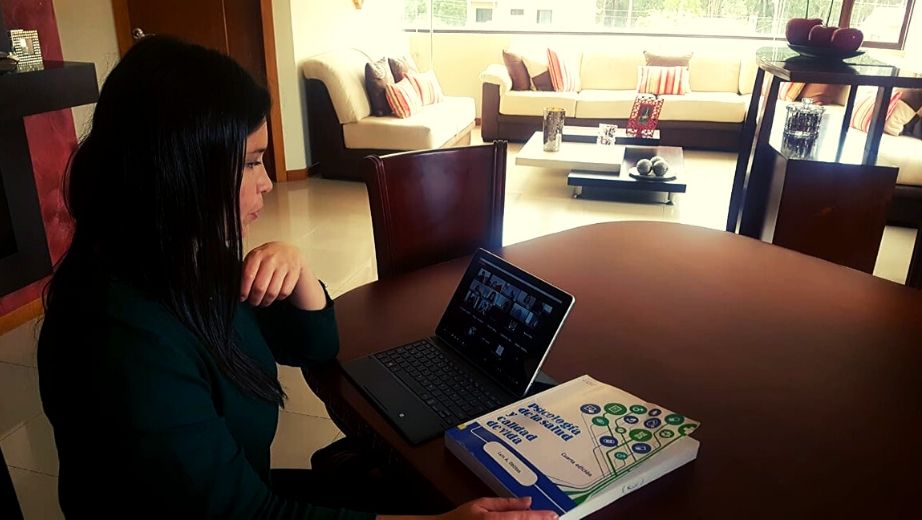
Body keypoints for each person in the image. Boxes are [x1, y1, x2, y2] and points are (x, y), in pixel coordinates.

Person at [37, 36, 557, 520]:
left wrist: (299, 270)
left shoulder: (186, 255)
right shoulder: (124, 338)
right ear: (177, 170)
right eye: (251, 163)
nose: (267, 184)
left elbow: (314, 344)